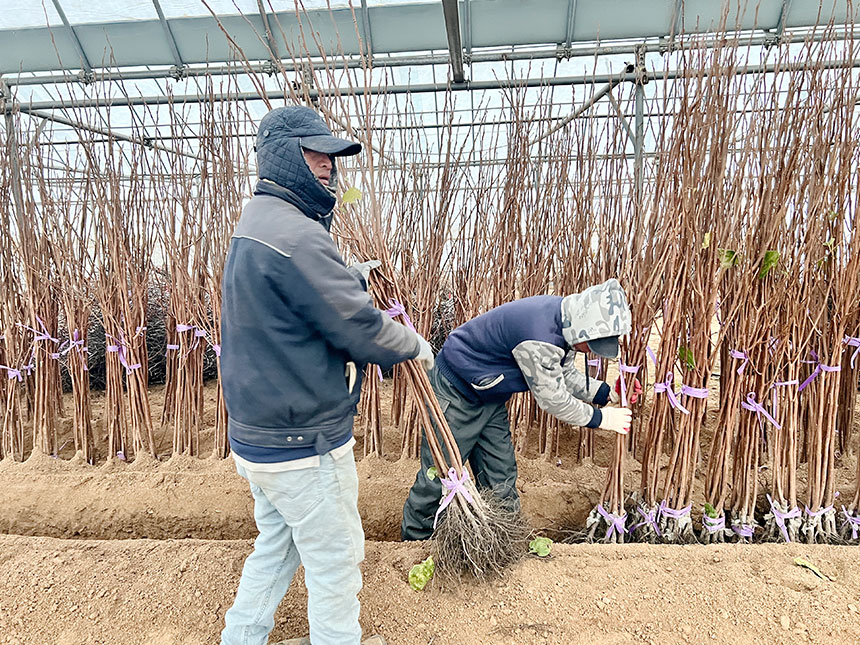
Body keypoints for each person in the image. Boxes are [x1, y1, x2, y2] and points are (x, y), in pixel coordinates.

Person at [219, 105, 433, 645]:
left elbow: (298, 300)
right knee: (336, 559)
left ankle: (239, 638)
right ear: (283, 157)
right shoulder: (297, 234)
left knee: (278, 545)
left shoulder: (257, 222)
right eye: (314, 153)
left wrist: (347, 275)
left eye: (331, 156)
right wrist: (412, 344)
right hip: (302, 441)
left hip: (258, 435)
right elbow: (357, 326)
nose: (327, 165)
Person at [401, 278, 633, 541]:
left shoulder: (564, 322)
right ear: (581, 329)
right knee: (439, 475)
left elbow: (564, 373)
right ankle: (414, 542)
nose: (590, 351)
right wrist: (601, 419)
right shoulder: (540, 336)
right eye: (591, 344)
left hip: (488, 395)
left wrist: (606, 394)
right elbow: (553, 399)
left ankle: (504, 540)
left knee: (499, 472)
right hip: (455, 393)